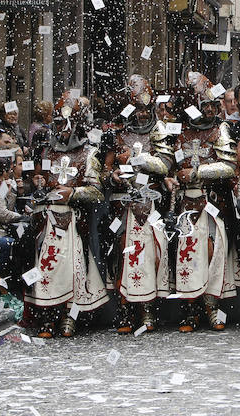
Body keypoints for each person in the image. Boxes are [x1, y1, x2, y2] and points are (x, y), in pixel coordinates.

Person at [24, 93, 109, 338]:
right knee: (46, 269)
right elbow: (36, 180)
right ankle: (47, 316)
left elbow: (96, 192)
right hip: (45, 221)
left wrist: (72, 193)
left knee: (71, 270)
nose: (58, 130)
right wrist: (37, 181)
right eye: (57, 124)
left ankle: (69, 316)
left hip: (72, 220)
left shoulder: (89, 154)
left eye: (63, 124)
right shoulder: (46, 151)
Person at [167, 73, 239, 333]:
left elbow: (229, 166)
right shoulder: (178, 130)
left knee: (212, 252)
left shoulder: (220, 129)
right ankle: (189, 309)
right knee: (185, 254)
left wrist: (198, 173)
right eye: (204, 105)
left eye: (212, 105)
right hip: (184, 202)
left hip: (211, 202)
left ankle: (211, 307)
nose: (210, 109)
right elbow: (168, 163)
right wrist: (170, 177)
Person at [107, 75, 173, 334]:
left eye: (147, 109)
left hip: (152, 202)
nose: (144, 114)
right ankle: (125, 308)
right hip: (123, 202)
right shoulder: (119, 133)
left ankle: (148, 310)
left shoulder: (161, 130)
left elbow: (165, 164)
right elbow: (106, 168)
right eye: (139, 109)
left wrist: (137, 158)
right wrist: (111, 175)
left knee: (152, 254)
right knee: (121, 251)